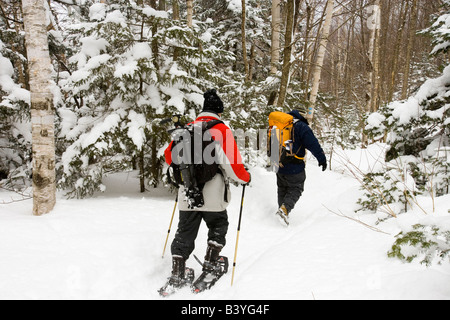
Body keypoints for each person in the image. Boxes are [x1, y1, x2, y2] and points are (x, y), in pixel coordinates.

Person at [160, 89, 251, 294]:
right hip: (213, 193)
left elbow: (168, 158)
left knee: (185, 231)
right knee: (218, 225)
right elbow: (232, 165)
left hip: (187, 193)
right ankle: (211, 265)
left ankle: (178, 271)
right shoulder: (221, 130)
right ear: (219, 112)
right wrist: (246, 178)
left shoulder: (187, 129)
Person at [274, 110, 327, 226]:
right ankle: (284, 210)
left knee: (282, 188)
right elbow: (313, 143)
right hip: (294, 166)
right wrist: (322, 159)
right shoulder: (301, 126)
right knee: (296, 188)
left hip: (279, 164)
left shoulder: (280, 125)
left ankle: (281, 211)